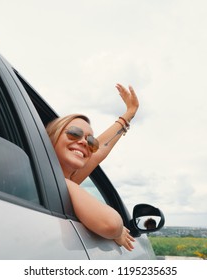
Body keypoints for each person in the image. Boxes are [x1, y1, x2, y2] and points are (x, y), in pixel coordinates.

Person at [46, 83, 139, 251]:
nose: (83, 142)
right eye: (74, 133)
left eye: (90, 141)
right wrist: (118, 234)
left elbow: (101, 149)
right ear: (51, 138)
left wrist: (129, 114)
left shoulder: (61, 181)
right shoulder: (59, 182)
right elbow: (111, 224)